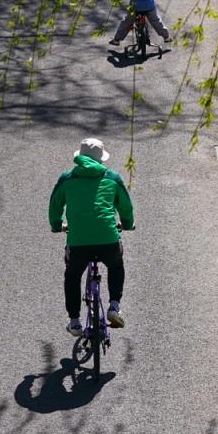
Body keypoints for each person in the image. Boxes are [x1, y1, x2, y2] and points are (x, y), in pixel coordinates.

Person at [49, 137, 134, 335]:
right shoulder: (112, 178)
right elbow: (126, 206)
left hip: (78, 242)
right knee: (115, 265)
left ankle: (75, 321)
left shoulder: (67, 178)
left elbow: (55, 205)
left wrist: (57, 225)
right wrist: (128, 223)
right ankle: (114, 306)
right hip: (107, 240)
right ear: (101, 159)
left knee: (72, 275)